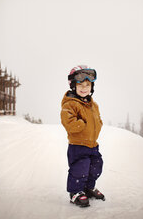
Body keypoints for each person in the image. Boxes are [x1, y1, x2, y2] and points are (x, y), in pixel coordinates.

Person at [60, 65, 105, 207]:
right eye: (80, 85)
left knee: (96, 167)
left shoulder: (93, 105)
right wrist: (82, 124)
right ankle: (75, 192)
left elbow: (97, 119)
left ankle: (88, 187)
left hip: (92, 144)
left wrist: (99, 124)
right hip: (78, 146)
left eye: (88, 85)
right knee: (80, 169)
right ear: (73, 86)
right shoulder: (70, 103)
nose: (84, 88)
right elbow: (68, 123)